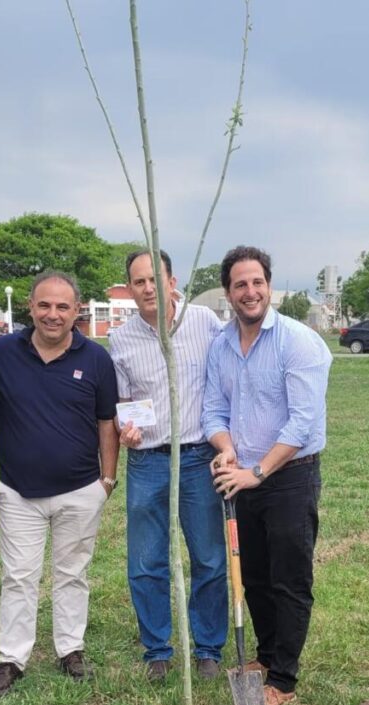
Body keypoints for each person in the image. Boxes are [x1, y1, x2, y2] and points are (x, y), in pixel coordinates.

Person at [202, 245, 333, 705]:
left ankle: (284, 677)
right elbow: (213, 409)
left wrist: (257, 472)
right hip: (241, 476)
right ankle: (264, 656)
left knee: (288, 578)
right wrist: (227, 450)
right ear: (228, 292)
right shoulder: (220, 344)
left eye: (257, 282)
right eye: (240, 284)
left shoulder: (298, 342)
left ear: (269, 287)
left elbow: (302, 423)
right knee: (253, 576)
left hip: (288, 477)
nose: (250, 291)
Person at [0, 271, 119, 695]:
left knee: (72, 573)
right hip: (19, 491)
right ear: (30, 306)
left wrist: (107, 479)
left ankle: (70, 649)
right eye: (44, 305)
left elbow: (107, 421)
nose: (53, 314)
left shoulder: (95, 358)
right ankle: (12, 658)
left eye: (63, 306)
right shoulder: (3, 351)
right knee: (19, 576)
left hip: (80, 489)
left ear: (77, 310)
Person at [109, 249, 227, 680]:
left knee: (210, 558)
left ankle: (208, 647)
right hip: (147, 461)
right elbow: (124, 403)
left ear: (171, 281)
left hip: (198, 457)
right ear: (130, 288)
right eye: (138, 282)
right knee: (145, 560)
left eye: (154, 280)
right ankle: (157, 649)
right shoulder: (121, 340)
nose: (147, 289)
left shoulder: (204, 324)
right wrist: (127, 430)